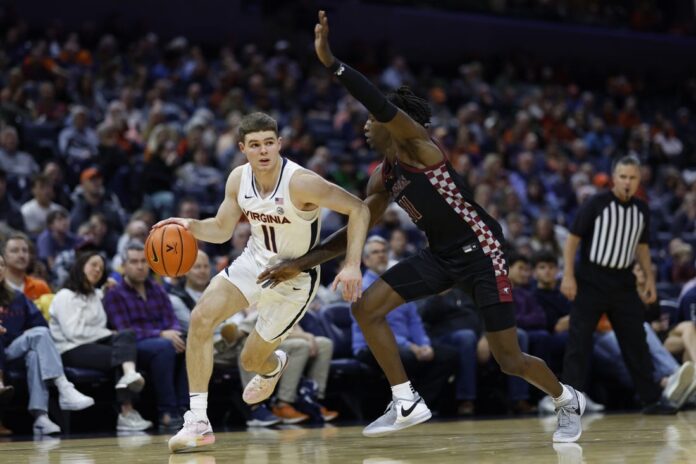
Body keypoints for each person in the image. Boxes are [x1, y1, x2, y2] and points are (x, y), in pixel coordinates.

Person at [257, 10, 585, 443]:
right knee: (365, 308)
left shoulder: (419, 147)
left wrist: (332, 64)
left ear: (391, 123)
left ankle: (566, 399)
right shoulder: (383, 176)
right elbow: (358, 226)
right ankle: (405, 400)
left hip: (481, 251)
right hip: (440, 255)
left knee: (508, 359)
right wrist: (299, 264)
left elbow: (377, 103)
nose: (365, 125)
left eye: (371, 121)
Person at [164, 111, 370, 452]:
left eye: (269, 143)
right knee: (200, 318)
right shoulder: (238, 178)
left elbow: (360, 209)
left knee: (250, 361)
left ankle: (274, 365)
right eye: (255, 145)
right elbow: (222, 229)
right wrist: (190, 226)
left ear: (279, 144)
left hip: (294, 279)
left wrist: (352, 264)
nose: (263, 151)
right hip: (254, 262)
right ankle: (198, 421)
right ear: (242, 148)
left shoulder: (301, 182)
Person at [560, 155, 676, 414]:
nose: (627, 182)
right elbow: (572, 239)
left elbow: (642, 247)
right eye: (623, 176)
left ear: (639, 180)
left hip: (623, 282)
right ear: (614, 178)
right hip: (591, 279)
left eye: (632, 177)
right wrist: (568, 275)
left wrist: (650, 280)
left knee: (637, 341)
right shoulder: (596, 203)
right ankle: (570, 402)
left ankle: (651, 399)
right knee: (579, 342)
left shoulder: (642, 209)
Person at [49, 251, 153, 431]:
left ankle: (130, 374)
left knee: (127, 335)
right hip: (70, 349)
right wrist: (106, 332)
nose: (98, 270)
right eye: (93, 265)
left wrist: (106, 289)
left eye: (101, 268)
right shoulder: (64, 296)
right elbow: (74, 333)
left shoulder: (95, 295)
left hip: (92, 344)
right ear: (80, 266)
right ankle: (127, 412)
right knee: (121, 355)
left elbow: (112, 284)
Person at [0, 253, 94, 435]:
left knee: (37, 344)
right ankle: (61, 390)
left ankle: (42, 416)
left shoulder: (17, 297)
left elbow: (40, 325)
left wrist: (23, 335)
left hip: (14, 350)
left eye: (1, 265)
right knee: (35, 347)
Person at [104, 242, 189, 430]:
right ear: (124, 266)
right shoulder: (115, 294)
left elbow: (171, 319)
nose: (140, 266)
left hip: (162, 341)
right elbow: (124, 330)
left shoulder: (157, 289)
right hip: (134, 347)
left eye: (144, 261)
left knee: (189, 344)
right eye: (134, 262)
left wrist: (175, 334)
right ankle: (167, 412)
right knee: (164, 348)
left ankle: (185, 409)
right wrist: (161, 334)